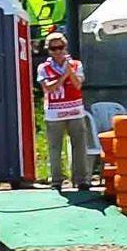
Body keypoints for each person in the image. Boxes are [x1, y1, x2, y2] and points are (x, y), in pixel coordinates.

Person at [36, 32, 92, 190]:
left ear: (65, 48)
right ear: (48, 50)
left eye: (60, 48)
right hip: (54, 112)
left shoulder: (76, 64)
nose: (58, 52)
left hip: (75, 110)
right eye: (53, 49)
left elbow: (78, 84)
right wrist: (63, 77)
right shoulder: (43, 67)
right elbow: (48, 88)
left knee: (79, 145)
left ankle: (81, 180)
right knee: (55, 147)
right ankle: (56, 180)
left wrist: (69, 71)